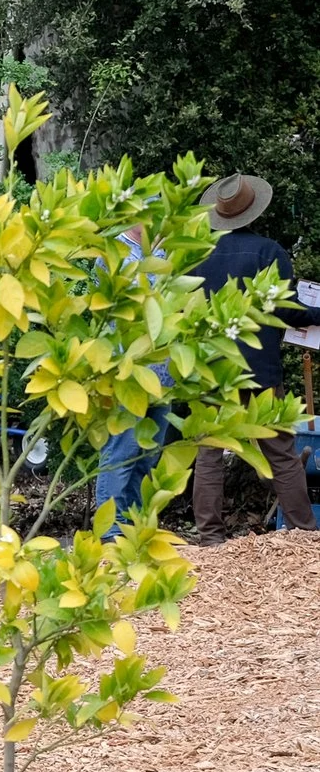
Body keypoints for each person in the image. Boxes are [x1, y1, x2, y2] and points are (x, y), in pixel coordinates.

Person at [186, 173, 318, 540]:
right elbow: (288, 311)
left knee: (210, 453)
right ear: (255, 211)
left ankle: (210, 535)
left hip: (212, 368)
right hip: (260, 369)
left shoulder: (198, 254)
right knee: (280, 451)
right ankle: (303, 532)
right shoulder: (269, 252)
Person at [92, 224, 168, 524]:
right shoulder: (114, 254)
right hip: (129, 375)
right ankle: (110, 531)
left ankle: (134, 528)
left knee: (146, 459)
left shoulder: (161, 253)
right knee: (121, 454)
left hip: (163, 377)